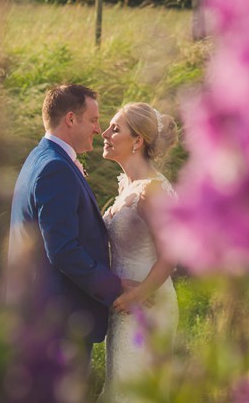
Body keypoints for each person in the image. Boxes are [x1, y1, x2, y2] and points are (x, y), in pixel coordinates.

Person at [8, 83, 136, 380]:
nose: (97, 129)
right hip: (58, 320)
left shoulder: (40, 157)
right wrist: (113, 286)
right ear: (70, 119)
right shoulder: (56, 168)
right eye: (93, 120)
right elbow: (63, 250)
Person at [97, 101, 180, 402]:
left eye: (115, 129)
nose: (104, 133)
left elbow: (171, 254)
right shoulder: (128, 187)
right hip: (124, 303)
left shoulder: (152, 190)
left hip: (147, 304)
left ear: (137, 141)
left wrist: (139, 294)